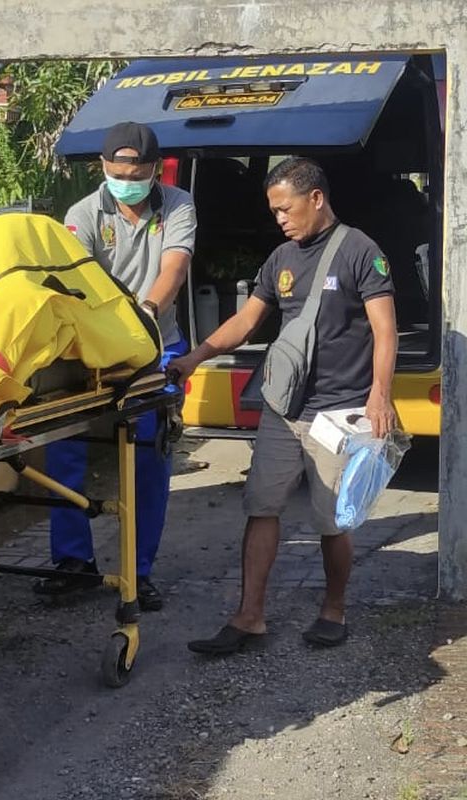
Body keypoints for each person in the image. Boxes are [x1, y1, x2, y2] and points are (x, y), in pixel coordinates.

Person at [171, 157, 398, 656]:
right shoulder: (280, 259)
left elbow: (385, 330)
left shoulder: (361, 251)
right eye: (274, 212)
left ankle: (333, 609)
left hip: (337, 412)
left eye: (285, 208)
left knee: (332, 520)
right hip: (283, 407)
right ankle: (249, 616)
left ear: (316, 198)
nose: (280, 219)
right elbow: (248, 322)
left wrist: (379, 395)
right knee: (261, 506)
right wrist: (196, 356)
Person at [34, 121, 196, 611]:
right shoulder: (83, 214)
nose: (128, 178)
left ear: (154, 170)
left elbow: (174, 266)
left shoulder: (178, 205)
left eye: (138, 170)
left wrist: (144, 314)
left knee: (149, 454)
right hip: (94, 349)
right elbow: (79, 283)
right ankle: (74, 564)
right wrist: (106, 332)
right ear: (103, 167)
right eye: (117, 169)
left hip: (156, 344)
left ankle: (137, 571)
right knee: (64, 450)